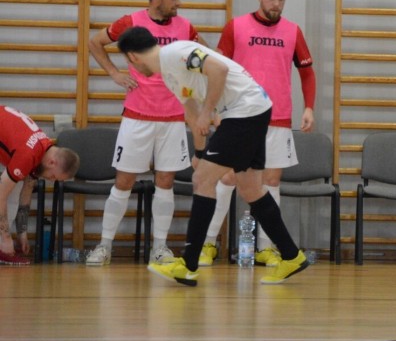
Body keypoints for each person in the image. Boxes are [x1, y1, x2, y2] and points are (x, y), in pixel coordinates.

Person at [117, 26, 308, 286]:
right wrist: (199, 151)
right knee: (250, 188)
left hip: (244, 110)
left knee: (202, 181)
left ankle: (189, 264)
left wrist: (208, 112)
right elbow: (192, 112)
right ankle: (291, 255)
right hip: (250, 110)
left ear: (132, 57)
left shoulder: (176, 53)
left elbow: (219, 69)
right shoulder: (170, 75)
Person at [198, 0, 316, 268]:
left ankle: (265, 247)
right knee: (226, 178)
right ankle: (208, 244)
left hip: (277, 117)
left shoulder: (293, 31)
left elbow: (307, 72)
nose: (277, 4)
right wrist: (213, 110)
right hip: (238, 116)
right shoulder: (235, 27)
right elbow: (215, 70)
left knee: (271, 180)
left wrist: (309, 107)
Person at [86, 0, 205, 266]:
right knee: (124, 181)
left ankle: (160, 247)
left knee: (165, 181)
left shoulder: (185, 27)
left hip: (173, 117)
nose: (179, 2)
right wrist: (114, 73)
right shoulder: (131, 22)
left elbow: (205, 57)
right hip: (138, 116)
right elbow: (95, 43)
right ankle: (104, 246)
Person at [0, 104, 79, 264]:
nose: (51, 180)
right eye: (53, 176)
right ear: (52, 162)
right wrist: (6, 238)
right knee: (6, 191)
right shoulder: (28, 155)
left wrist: (22, 233)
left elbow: (27, 187)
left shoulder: (44, 147)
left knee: (16, 188)